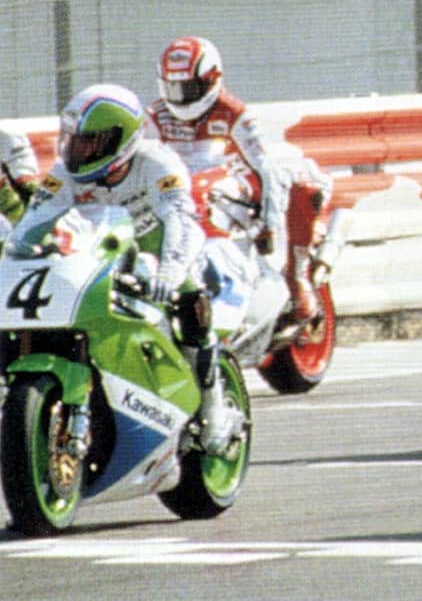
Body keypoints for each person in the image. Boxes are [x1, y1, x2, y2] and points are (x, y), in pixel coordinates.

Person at [24, 84, 239, 452]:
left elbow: (182, 221)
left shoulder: (158, 163)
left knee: (191, 302)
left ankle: (212, 407)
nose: (78, 151)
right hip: (96, 256)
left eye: (90, 143)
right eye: (73, 141)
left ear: (120, 140)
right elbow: (33, 221)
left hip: (159, 253)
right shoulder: (63, 174)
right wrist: (16, 251)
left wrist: (170, 272)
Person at [145, 36, 329, 321]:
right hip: (177, 194)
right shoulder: (155, 116)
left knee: (300, 185)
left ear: (211, 79)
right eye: (172, 88)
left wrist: (268, 225)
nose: (180, 98)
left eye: (189, 89)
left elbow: (265, 168)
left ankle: (297, 279)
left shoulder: (235, 113)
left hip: (229, 191)